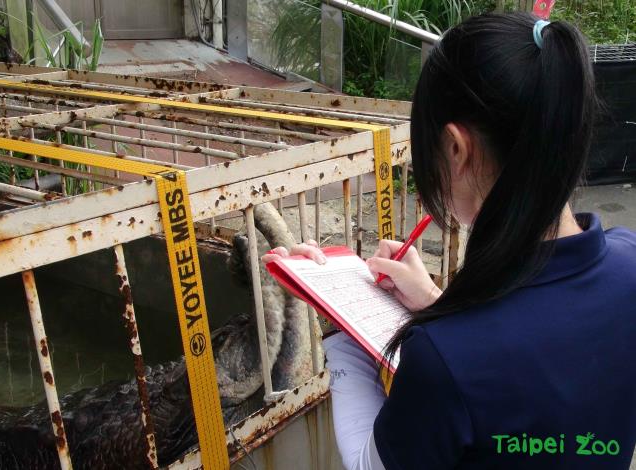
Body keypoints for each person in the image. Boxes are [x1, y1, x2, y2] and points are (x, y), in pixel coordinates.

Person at [262, 12, 636, 470]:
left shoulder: (448, 360)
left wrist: (340, 329)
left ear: (457, 149)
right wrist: (437, 304)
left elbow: (368, 463)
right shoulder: (628, 264)